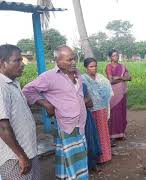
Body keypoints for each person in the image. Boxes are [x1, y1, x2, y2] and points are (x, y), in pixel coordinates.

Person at [23, 45, 88, 180]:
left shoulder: (77, 73)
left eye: (74, 59)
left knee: (77, 158)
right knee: (71, 160)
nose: (73, 62)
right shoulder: (49, 77)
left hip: (80, 124)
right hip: (66, 125)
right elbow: (27, 91)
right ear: (57, 60)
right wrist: (45, 104)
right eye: (69, 60)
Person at [0, 44, 39, 180]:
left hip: (27, 151)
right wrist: (21, 156)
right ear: (2, 62)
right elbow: (2, 127)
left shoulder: (13, 83)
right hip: (14, 158)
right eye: (17, 60)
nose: (22, 64)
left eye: (22, 60)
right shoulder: (1, 87)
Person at [82, 58, 113, 164]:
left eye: (95, 66)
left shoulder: (101, 78)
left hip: (101, 109)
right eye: (91, 66)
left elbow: (108, 91)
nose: (94, 68)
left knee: (103, 132)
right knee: (91, 134)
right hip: (89, 111)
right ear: (86, 68)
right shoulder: (83, 79)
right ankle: (94, 158)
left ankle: (105, 156)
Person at [105, 49, 131, 141]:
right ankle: (112, 134)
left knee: (122, 112)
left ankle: (121, 133)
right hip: (113, 94)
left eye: (117, 55)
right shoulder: (109, 66)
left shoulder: (123, 66)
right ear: (110, 57)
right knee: (114, 112)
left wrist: (119, 77)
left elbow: (130, 77)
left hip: (122, 92)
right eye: (114, 55)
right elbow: (111, 81)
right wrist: (123, 78)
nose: (116, 57)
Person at [82, 83, 102, 172]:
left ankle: (92, 164)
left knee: (90, 140)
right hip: (72, 120)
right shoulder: (63, 87)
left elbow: (90, 104)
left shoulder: (83, 86)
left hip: (86, 117)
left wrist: (78, 103)